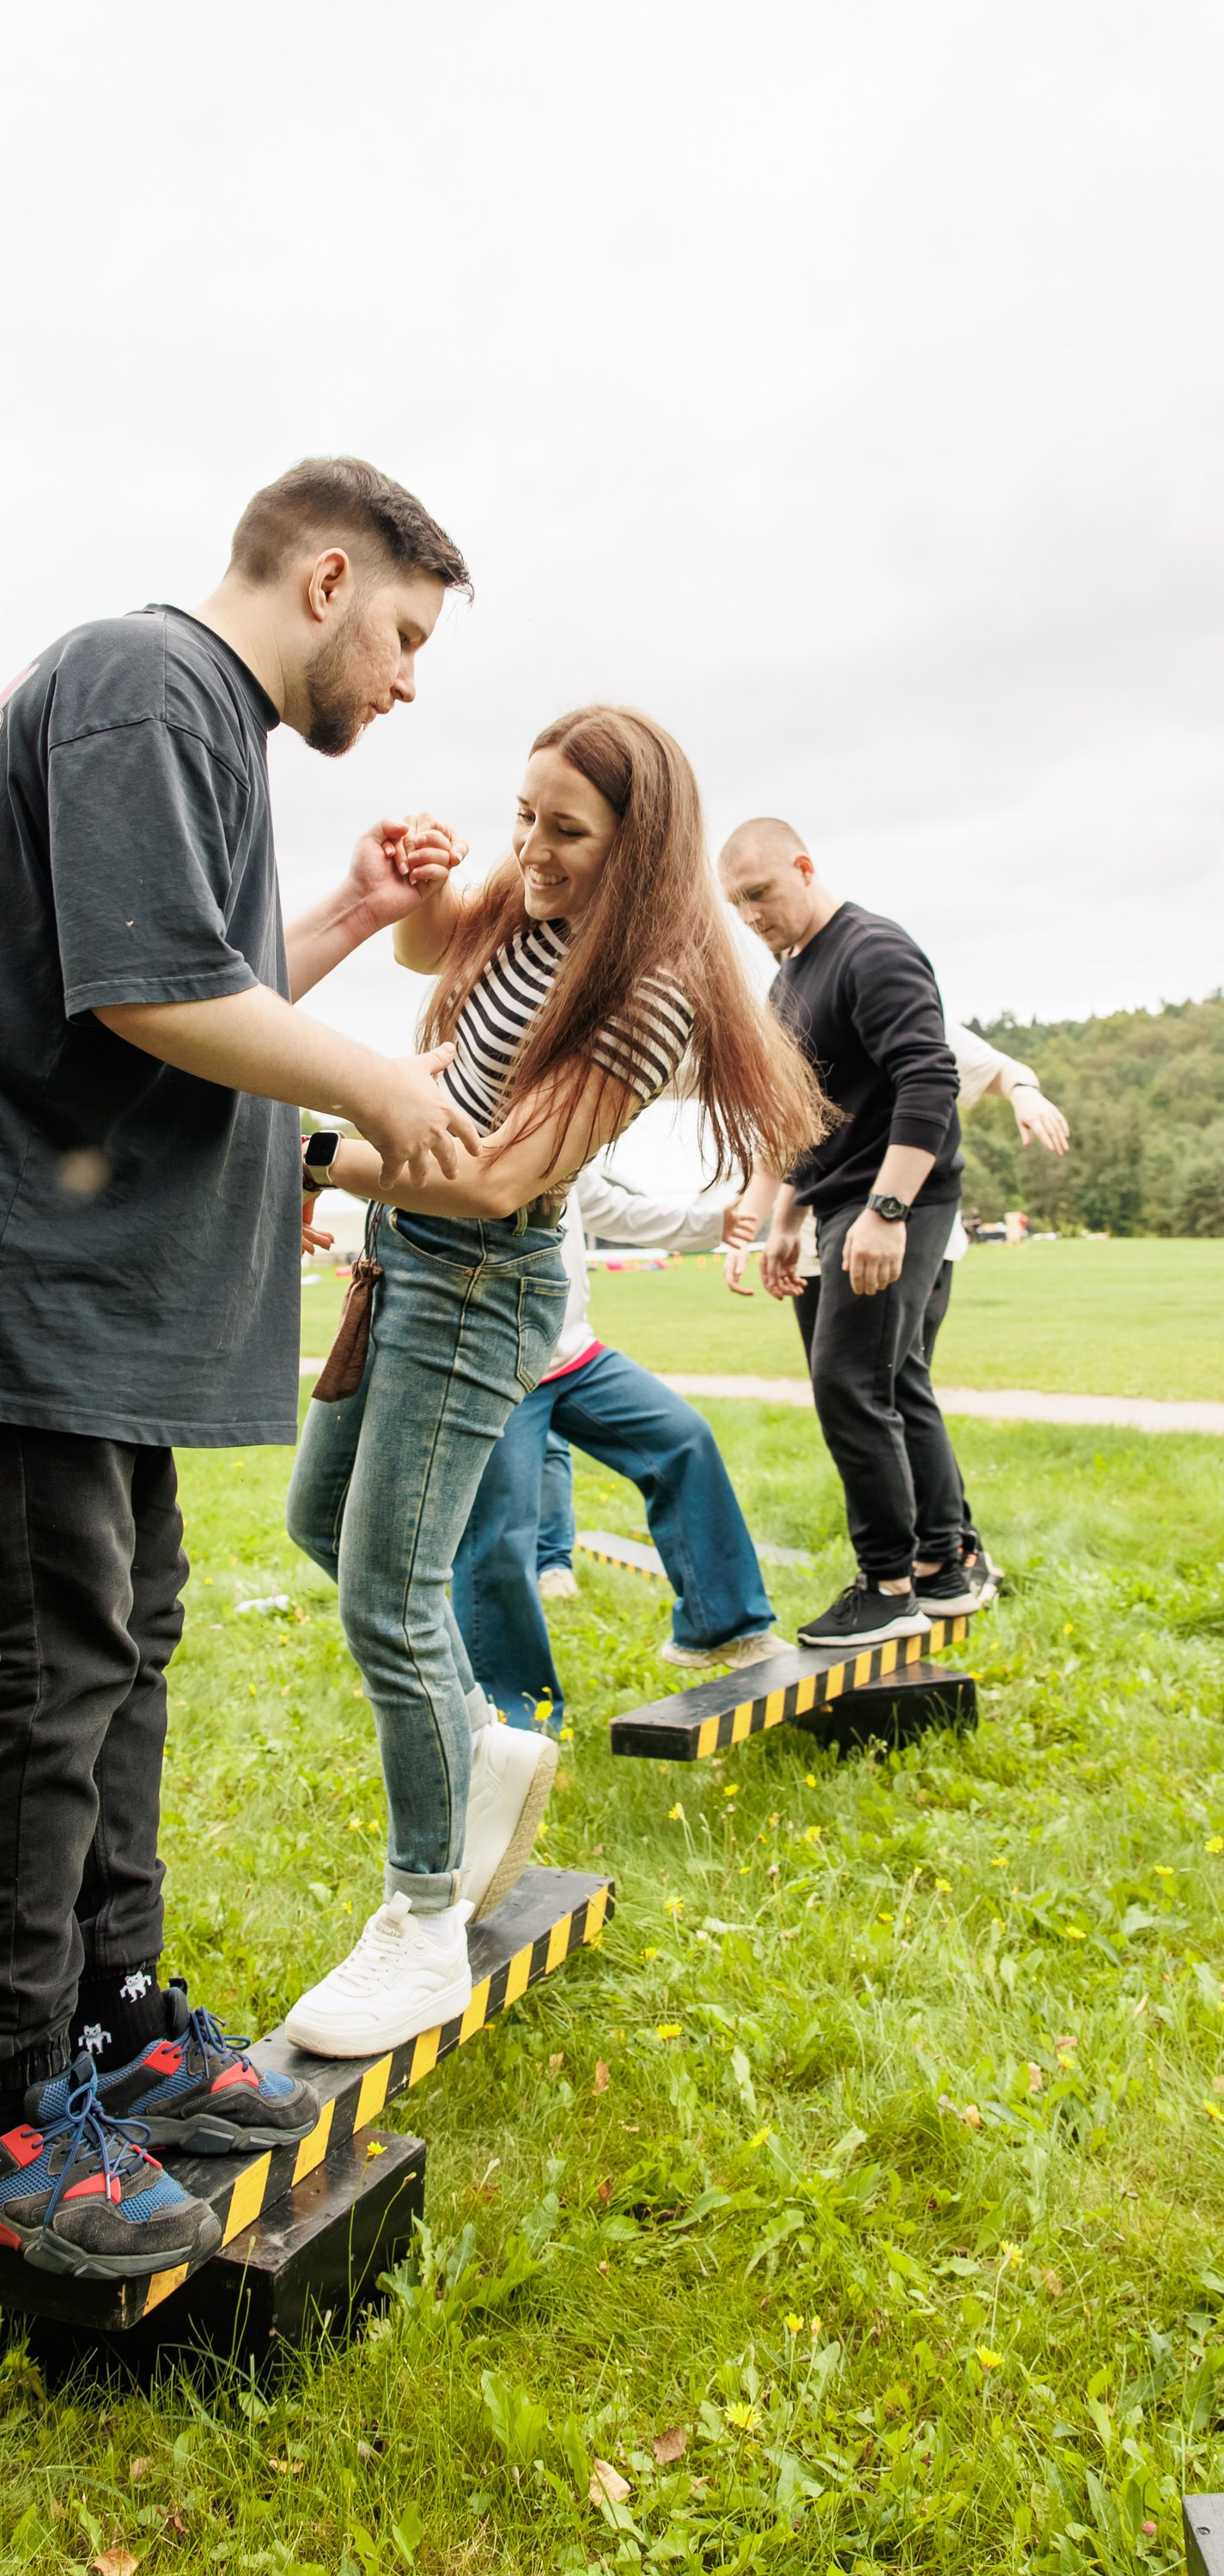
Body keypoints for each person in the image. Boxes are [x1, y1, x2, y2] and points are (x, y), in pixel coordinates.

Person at [0, 458, 482, 2281]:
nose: (404, 683)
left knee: (122, 1633)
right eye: (402, 635)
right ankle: (5, 2113)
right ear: (329, 578)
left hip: (75, 1286)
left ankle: (116, 2035)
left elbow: (199, 988)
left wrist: (333, 925)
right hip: (6, 1267)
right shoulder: (148, 680)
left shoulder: (190, 723)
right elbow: (147, 998)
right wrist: (392, 1088)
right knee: (47, 1658)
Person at [282, 710, 827, 2058]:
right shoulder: (520, 901)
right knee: (319, 1527)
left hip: (480, 1288)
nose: (531, 847)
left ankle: (419, 1929)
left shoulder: (644, 995)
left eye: (565, 831)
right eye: (522, 814)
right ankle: (485, 1743)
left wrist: (296, 1150)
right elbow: (425, 943)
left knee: (388, 1596)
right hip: (407, 1262)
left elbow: (496, 1174)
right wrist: (417, 879)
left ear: (638, 851)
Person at [718, 818, 984, 1650]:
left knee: (846, 1383)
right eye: (736, 905)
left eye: (759, 893)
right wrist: (784, 1219)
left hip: (893, 1204)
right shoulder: (786, 984)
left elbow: (927, 1076)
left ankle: (886, 1586)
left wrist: (887, 1212)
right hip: (838, 1208)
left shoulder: (870, 948)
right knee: (892, 1382)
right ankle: (943, 1568)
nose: (750, 916)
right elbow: (805, 1121)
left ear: (803, 868)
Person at [727, 1020, 1069, 1586]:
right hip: (821, 1241)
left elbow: (1001, 1070)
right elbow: (799, 1147)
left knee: (895, 1384)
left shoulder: (898, 1006)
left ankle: (951, 1551)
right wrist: (775, 1226)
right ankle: (922, 1551)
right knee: (853, 1395)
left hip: (905, 1236)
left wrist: (1026, 1096)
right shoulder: (806, 1021)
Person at [451, 1163, 783, 1738]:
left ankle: (724, 1627)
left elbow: (617, 1209)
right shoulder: (478, 1121)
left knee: (683, 1440)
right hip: (496, 1366)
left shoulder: (575, 1135)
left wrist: (716, 1221)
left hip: (574, 1355)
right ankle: (514, 1719)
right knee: (500, 1533)